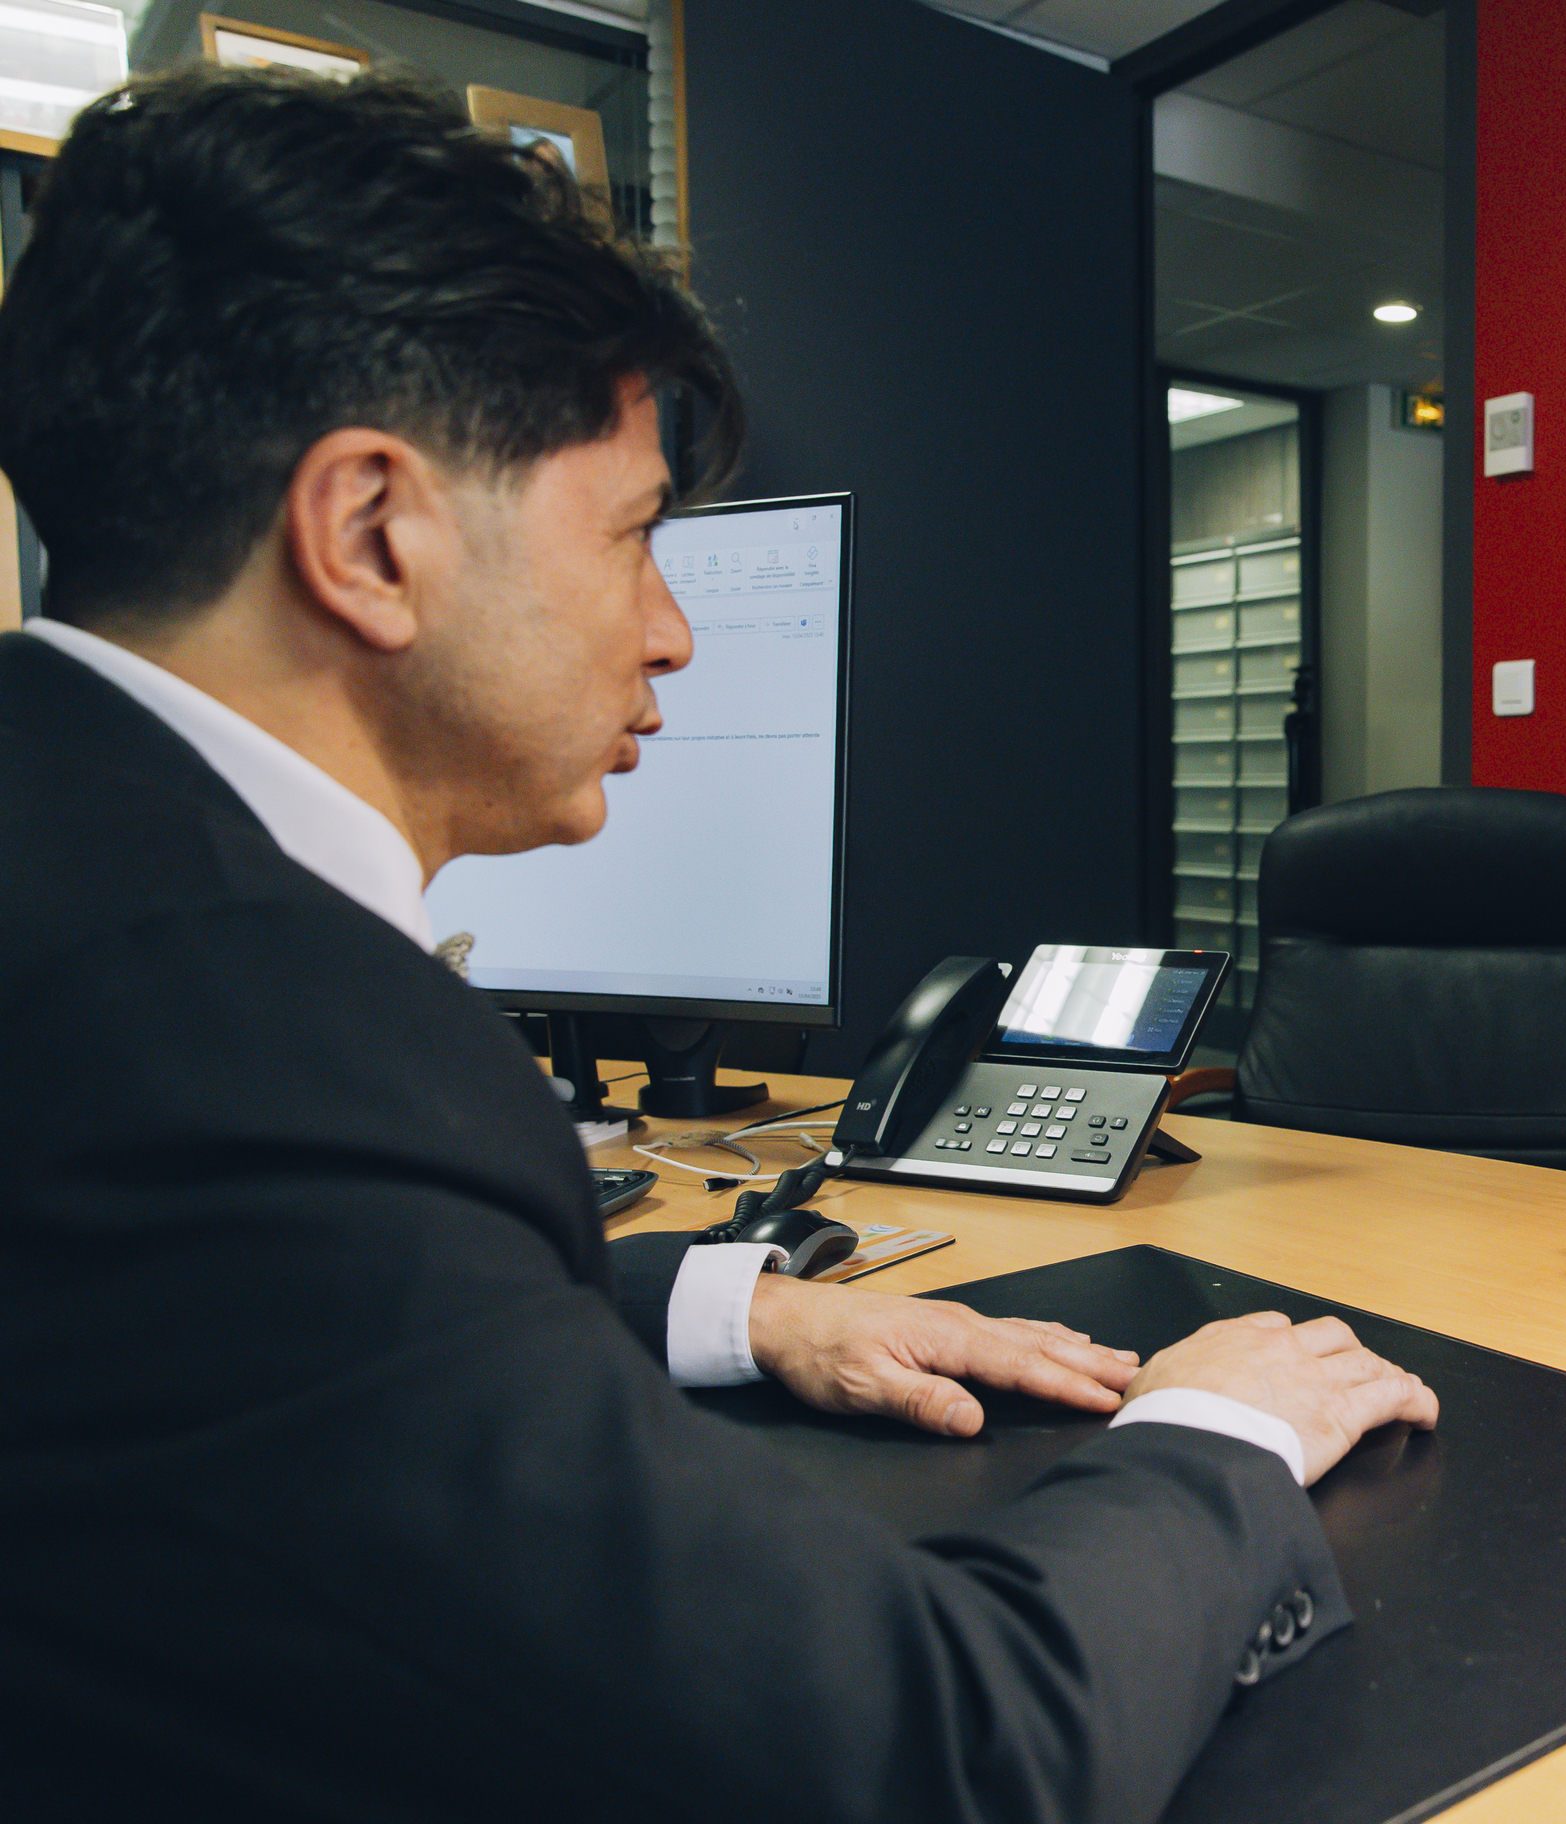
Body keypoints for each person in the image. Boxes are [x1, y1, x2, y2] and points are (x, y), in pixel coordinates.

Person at [0, 67, 1434, 1821]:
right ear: (374, 530)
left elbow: (263, 1318)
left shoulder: (75, 868)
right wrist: (1220, 1436)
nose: (673, 631)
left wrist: (734, 1302)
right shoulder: (243, 1029)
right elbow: (936, 1752)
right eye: (633, 534)